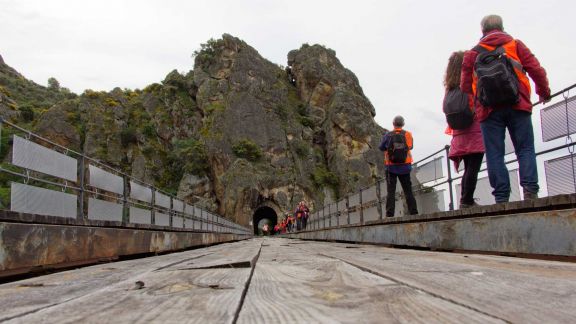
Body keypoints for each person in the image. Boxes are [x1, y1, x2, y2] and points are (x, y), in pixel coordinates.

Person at [461, 15, 551, 203]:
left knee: (495, 153)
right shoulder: (515, 45)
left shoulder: (472, 54)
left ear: (482, 31)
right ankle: (530, 191)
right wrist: (543, 92)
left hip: (488, 110)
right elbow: (536, 70)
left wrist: (478, 103)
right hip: (518, 103)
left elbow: (464, 86)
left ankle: (501, 197)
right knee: (525, 148)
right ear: (502, 27)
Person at [444, 51, 485, 208]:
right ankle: (466, 200)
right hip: (474, 129)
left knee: (469, 167)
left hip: (459, 133)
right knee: (473, 167)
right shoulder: (470, 83)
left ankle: (465, 199)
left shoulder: (449, 89)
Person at [378, 116, 418, 217]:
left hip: (391, 167)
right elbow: (410, 146)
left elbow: (381, 147)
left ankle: (390, 214)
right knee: (408, 190)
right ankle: (414, 212)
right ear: (403, 124)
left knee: (391, 191)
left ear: (393, 123)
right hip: (405, 167)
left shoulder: (388, 135)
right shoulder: (408, 134)